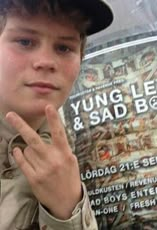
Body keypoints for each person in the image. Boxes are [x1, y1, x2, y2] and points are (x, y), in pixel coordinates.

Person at [0, 0, 113, 229]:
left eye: (63, 48)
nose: (46, 62)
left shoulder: (92, 146)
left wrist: (68, 209)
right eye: (24, 41)